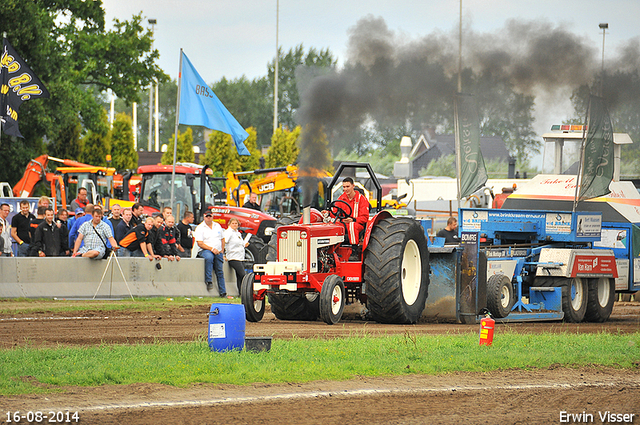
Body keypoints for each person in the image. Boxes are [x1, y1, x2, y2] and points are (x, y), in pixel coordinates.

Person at [194, 209, 226, 295]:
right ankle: (209, 280)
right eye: (206, 216)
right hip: (205, 250)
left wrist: (222, 250)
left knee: (219, 269)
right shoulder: (200, 228)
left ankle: (223, 291)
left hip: (218, 250)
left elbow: (223, 239)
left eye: (210, 216)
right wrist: (212, 249)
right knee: (209, 258)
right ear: (204, 216)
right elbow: (200, 243)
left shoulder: (217, 225)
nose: (208, 218)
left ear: (212, 216)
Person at [335, 177, 369, 245]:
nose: (345, 189)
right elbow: (334, 212)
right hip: (344, 223)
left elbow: (365, 218)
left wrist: (353, 219)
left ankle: (354, 248)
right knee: (332, 225)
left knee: (352, 226)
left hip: (357, 223)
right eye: (344, 187)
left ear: (353, 186)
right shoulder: (341, 199)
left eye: (348, 186)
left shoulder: (361, 199)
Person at [224, 217, 248, 297]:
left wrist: (244, 245)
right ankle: (246, 291)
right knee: (243, 275)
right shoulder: (228, 232)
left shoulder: (237, 233)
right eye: (233, 223)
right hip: (233, 257)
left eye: (236, 223)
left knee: (239, 276)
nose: (234, 225)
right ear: (229, 224)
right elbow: (224, 243)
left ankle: (241, 293)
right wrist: (223, 254)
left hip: (240, 257)